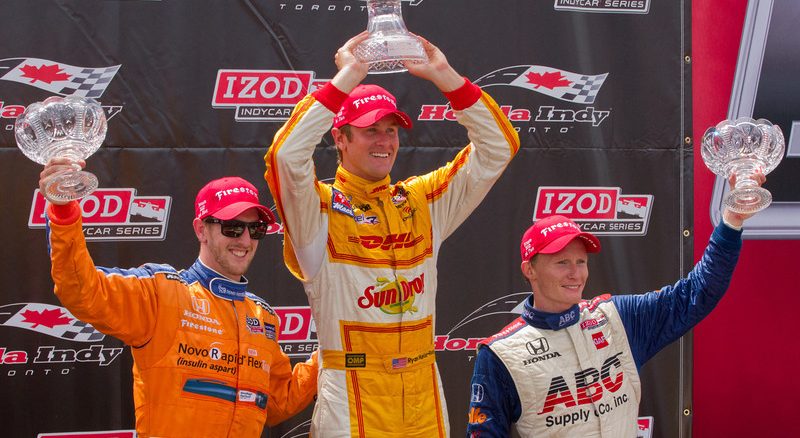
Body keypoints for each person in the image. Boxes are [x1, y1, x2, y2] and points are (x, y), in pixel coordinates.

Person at [264, 31, 520, 437]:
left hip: (423, 397)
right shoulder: (318, 210)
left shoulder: (421, 200)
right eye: (370, 131)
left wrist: (444, 75)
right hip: (351, 398)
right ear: (340, 137)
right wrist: (349, 74)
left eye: (392, 130)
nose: (384, 141)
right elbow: (285, 155)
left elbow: (498, 148)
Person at [465, 174, 766, 437]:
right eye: (562, 263)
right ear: (529, 270)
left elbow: (697, 293)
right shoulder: (500, 355)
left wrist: (732, 221)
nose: (576, 273)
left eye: (581, 262)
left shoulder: (616, 318)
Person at [40, 158, 317, 438]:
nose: (245, 240)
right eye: (232, 227)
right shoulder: (160, 292)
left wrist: (329, 356)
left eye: (255, 229)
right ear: (201, 230)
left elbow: (278, 403)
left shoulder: (263, 316)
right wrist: (63, 212)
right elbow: (81, 289)